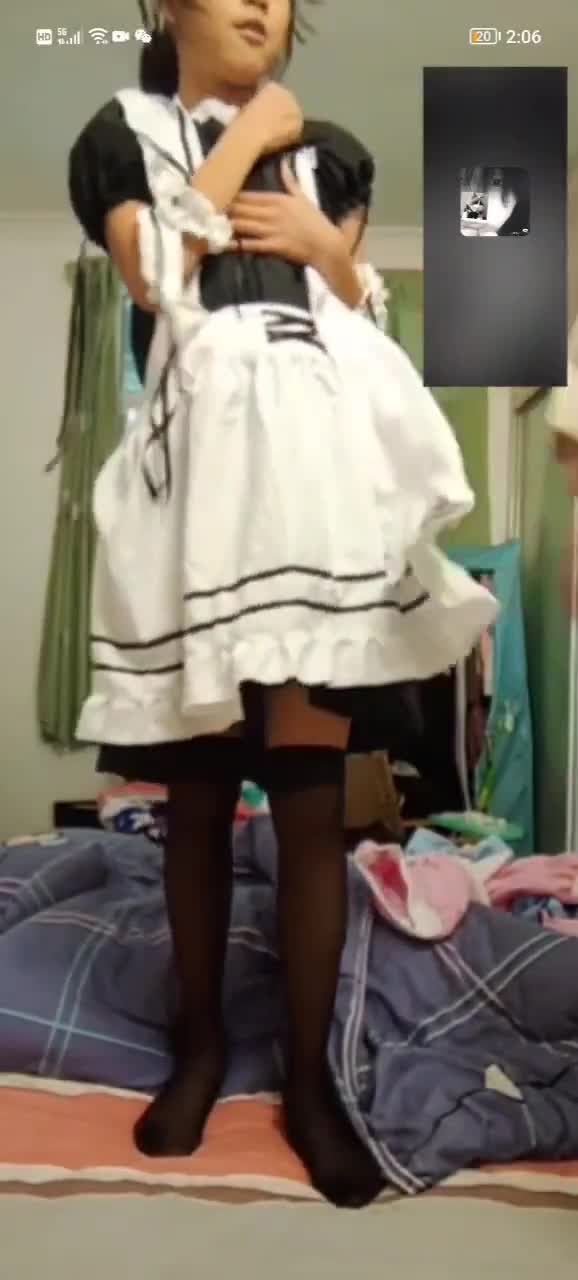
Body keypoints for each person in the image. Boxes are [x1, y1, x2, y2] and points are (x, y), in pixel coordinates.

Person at [68, 0, 497, 1208]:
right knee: (198, 801)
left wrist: (327, 249)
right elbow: (152, 275)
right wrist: (249, 134)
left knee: (309, 807)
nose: (264, 1)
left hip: (312, 497)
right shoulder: (123, 131)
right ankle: (198, 1049)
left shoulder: (334, 161)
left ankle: (308, 1084)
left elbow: (354, 329)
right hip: (200, 504)